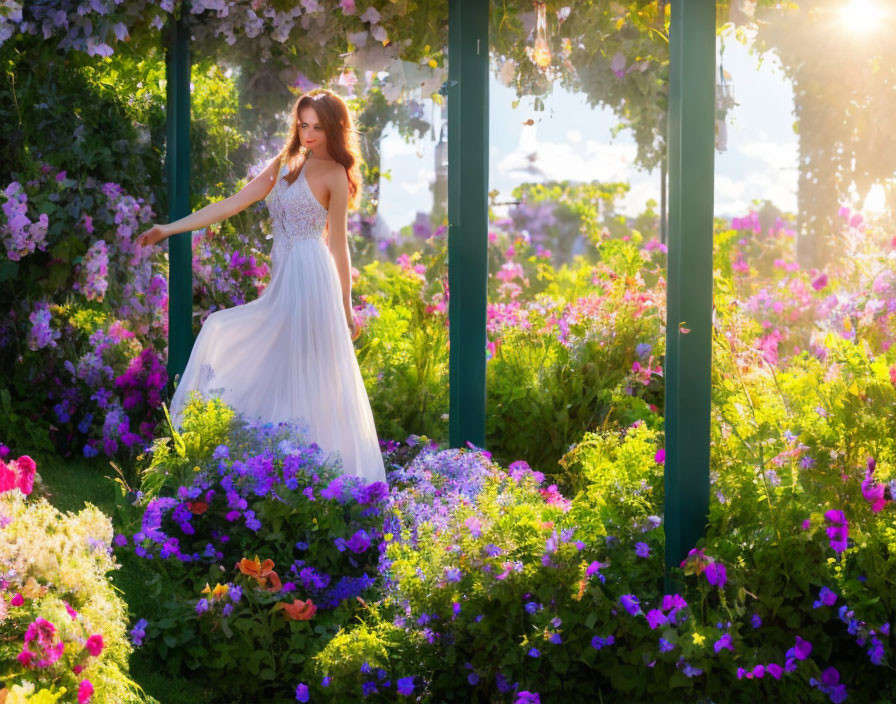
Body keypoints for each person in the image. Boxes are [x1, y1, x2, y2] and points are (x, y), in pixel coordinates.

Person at [136, 89, 386, 485]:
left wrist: (346, 306)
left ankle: (323, 479)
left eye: (317, 127)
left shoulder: (336, 173)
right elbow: (233, 203)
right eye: (303, 124)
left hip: (311, 280)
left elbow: (338, 245)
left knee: (310, 373)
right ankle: (267, 470)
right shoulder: (287, 162)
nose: (308, 133)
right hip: (285, 278)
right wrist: (169, 228)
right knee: (233, 335)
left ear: (334, 128)